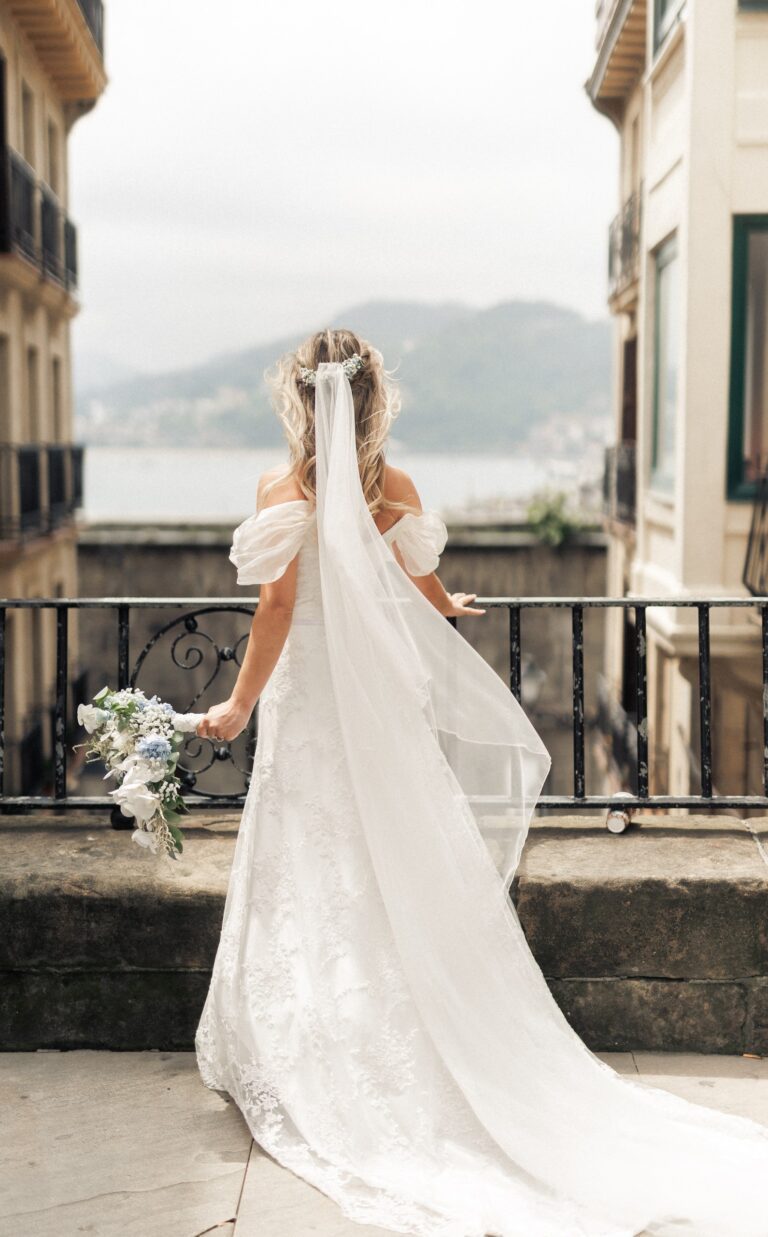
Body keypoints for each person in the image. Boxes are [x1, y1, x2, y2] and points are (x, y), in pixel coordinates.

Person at [195, 329, 768, 1237]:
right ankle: (413, 1028)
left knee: (308, 860)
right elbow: (417, 575)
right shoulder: (399, 491)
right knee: (396, 859)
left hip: (309, 705)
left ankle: (317, 1038)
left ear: (300, 400)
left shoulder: (279, 492)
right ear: (373, 399)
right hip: (375, 707)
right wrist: (445, 603)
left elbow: (273, 609)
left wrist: (235, 704)